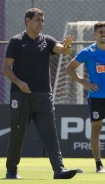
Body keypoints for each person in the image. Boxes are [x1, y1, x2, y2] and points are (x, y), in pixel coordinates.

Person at [2, 8, 78, 179]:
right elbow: (6, 68)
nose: (41, 23)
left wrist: (67, 46)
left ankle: (59, 170)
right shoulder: (16, 41)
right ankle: (11, 170)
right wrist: (19, 83)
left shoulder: (48, 41)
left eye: (42, 20)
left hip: (44, 96)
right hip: (21, 96)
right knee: (18, 133)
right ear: (27, 21)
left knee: (51, 133)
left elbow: (63, 50)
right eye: (37, 20)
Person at [66, 22, 105, 173]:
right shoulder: (88, 52)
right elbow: (69, 68)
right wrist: (84, 82)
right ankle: (98, 165)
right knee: (96, 129)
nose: (103, 34)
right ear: (95, 34)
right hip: (96, 98)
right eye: (101, 32)